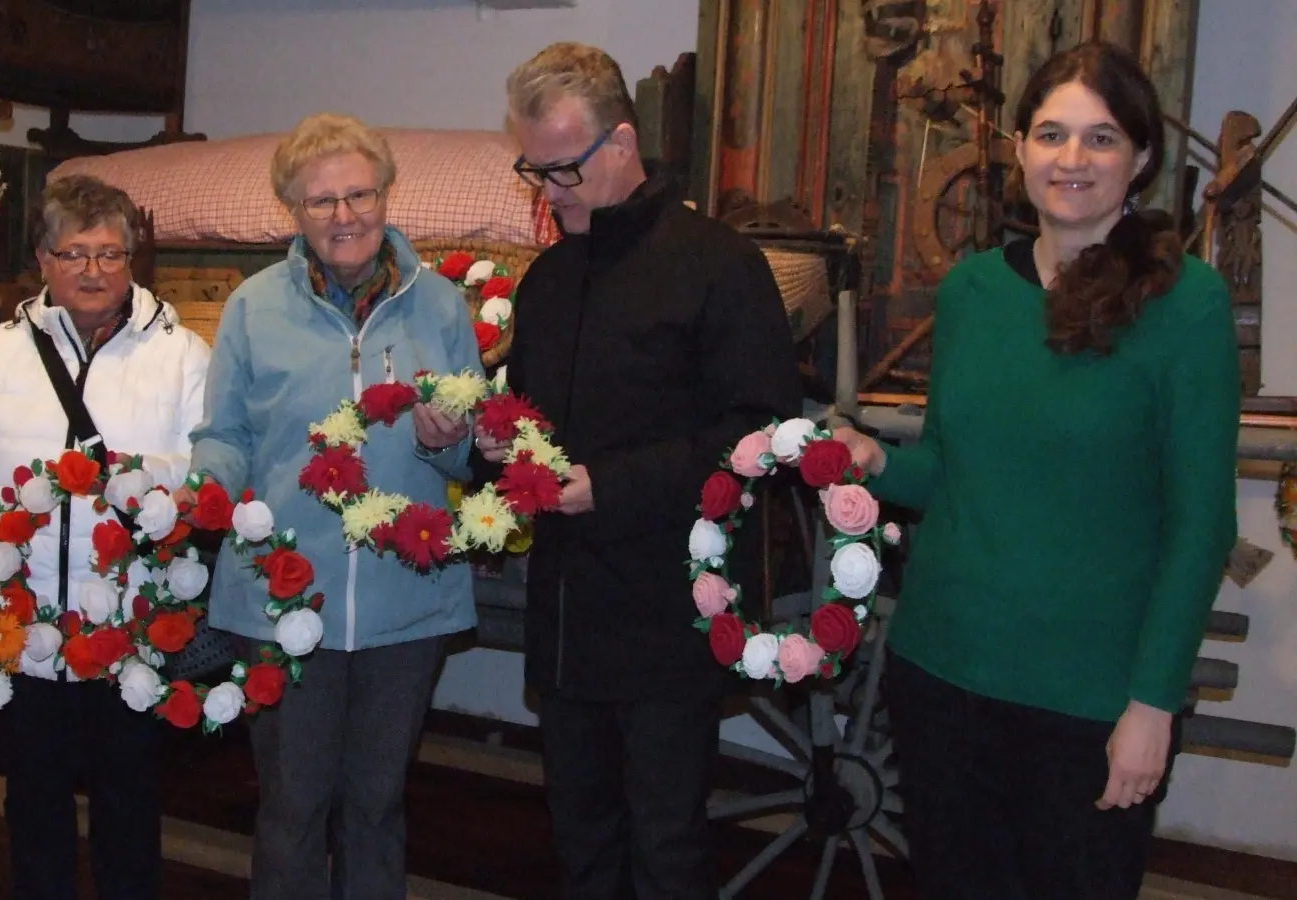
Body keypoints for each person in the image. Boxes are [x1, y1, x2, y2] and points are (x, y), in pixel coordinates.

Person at [834, 41, 1239, 900]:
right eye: (1052, 133)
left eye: (1101, 138)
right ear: (1017, 147)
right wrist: (874, 464)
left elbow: (1201, 523)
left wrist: (1153, 705)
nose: (1073, 159)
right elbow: (949, 468)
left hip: (1089, 702)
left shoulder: (1187, 306)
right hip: (942, 674)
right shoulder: (974, 293)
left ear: (1142, 159)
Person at [479, 43, 801, 899]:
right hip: (565, 616)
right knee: (580, 841)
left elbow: (758, 431)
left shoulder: (719, 265)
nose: (548, 192)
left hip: (669, 611)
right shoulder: (546, 282)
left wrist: (609, 486)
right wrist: (496, 447)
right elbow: (533, 426)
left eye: (563, 170)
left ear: (621, 144)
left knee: (666, 847)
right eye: (534, 170)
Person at [187, 112, 480, 898]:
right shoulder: (253, 307)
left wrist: (443, 439)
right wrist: (204, 489)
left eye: (360, 195)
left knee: (378, 806)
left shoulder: (443, 307)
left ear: (387, 197)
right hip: (283, 595)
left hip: (406, 600)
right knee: (291, 807)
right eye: (322, 201)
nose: (344, 216)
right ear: (293, 209)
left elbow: (466, 458)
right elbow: (225, 433)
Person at [0, 175, 209, 900]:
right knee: (31, 800)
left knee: (129, 800)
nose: (94, 271)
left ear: (134, 259)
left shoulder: (182, 355)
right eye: (75, 254)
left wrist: (134, 478)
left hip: (129, 628)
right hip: (20, 627)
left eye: (110, 254)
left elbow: (205, 465)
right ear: (42, 259)